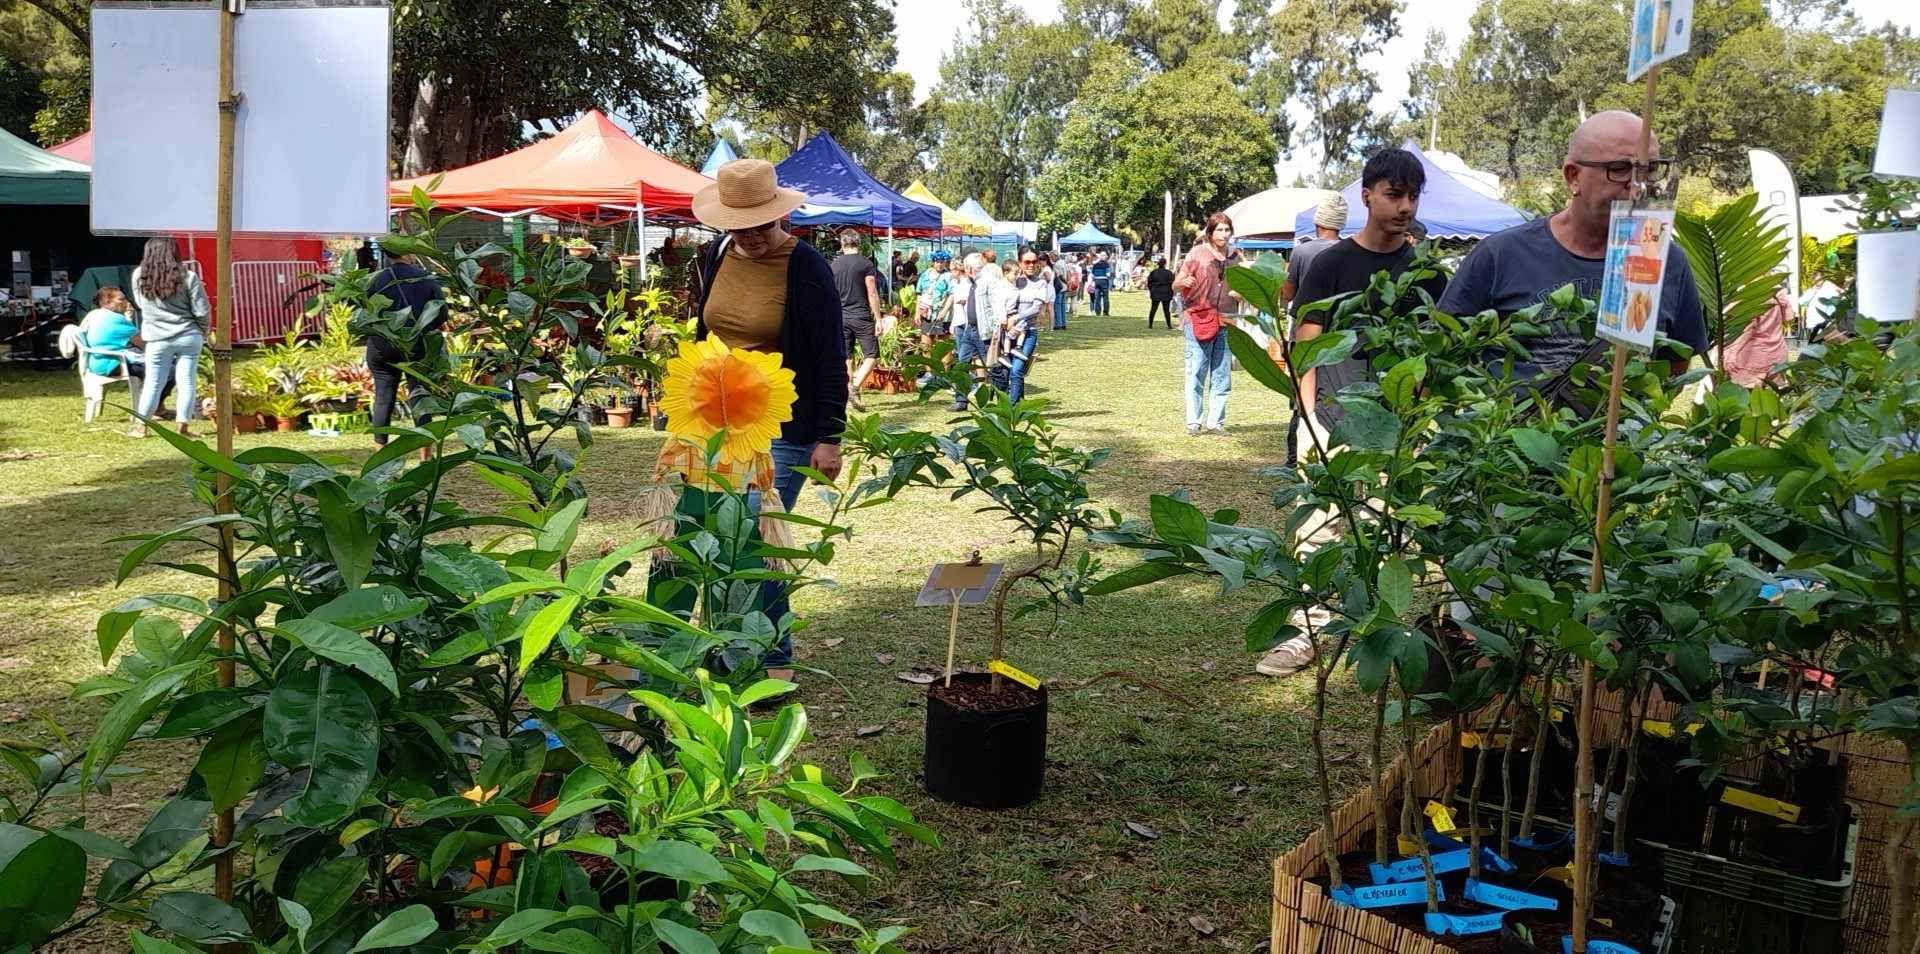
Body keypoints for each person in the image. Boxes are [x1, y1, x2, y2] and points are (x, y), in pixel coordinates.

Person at [1260, 147, 1449, 679]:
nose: (1405, 206)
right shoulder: (1329, 264)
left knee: (1387, 536)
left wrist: (1416, 421)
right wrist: (1309, 417)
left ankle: (1378, 636)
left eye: (1413, 196)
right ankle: (1307, 633)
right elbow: (1307, 343)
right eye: (1394, 194)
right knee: (1318, 534)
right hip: (1331, 422)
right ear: (1366, 195)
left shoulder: (1427, 275)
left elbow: (1437, 351)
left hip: (1395, 431)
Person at [690, 158, 850, 678]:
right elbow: (704, 334)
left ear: (779, 213)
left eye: (762, 222)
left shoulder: (805, 264)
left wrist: (830, 437)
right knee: (715, 537)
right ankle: (727, 654)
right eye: (741, 225)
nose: (753, 235)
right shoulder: (717, 254)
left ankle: (773, 665)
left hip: (783, 426)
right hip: (715, 421)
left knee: (758, 542)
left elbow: (829, 355)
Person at [1438, 110, 1708, 383]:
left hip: (1622, 426)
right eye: (1620, 169)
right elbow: (1440, 355)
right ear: (1572, 177)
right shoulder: (1500, 255)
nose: (1639, 187)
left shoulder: (1666, 260)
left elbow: (1676, 362)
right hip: (1516, 422)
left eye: (1649, 169)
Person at [129, 237, 211, 438]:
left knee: (153, 383)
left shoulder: (139, 275)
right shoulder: (189, 276)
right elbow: (201, 310)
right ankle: (182, 426)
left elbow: (140, 304)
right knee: (186, 381)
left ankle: (141, 427)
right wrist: (203, 330)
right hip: (188, 335)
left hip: (156, 337)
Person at [1172, 213, 1244, 436]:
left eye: (1227, 229)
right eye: (1219, 230)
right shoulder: (1197, 254)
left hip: (1227, 319)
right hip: (1198, 318)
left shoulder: (1236, 258)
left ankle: (1216, 421)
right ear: (1210, 232)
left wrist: (1241, 292)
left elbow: (1246, 285)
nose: (1224, 234)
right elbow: (1175, 285)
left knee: (1222, 373)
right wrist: (1183, 282)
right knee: (1196, 371)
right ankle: (1194, 421)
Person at [364, 257, 445, 451]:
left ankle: (380, 456)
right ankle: (425, 457)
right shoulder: (426, 278)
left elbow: (365, 314)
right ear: (408, 252)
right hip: (418, 342)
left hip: (381, 344)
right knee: (419, 395)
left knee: (383, 397)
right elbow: (441, 314)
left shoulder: (374, 280)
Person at [830, 229, 885, 410]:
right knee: (872, 355)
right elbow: (871, 291)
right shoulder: (865, 264)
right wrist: (878, 318)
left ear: (842, 243)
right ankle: (853, 387)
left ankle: (849, 394)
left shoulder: (834, 265)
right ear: (858, 243)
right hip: (861, 315)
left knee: (847, 356)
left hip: (840, 316)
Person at [991, 249, 1051, 403]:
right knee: (1006, 369)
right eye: (1027, 262)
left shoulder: (1041, 283)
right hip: (1008, 332)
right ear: (1019, 263)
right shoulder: (1014, 279)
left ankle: (1012, 407)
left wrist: (1015, 318)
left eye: (1034, 261)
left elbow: (1036, 308)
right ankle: (1015, 402)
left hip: (1028, 332)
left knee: (1017, 370)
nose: (1031, 265)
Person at [1723, 285, 1792, 387]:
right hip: (1777, 354)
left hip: (1752, 359)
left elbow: (1748, 328)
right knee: (1771, 398)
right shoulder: (1778, 291)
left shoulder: (1750, 292)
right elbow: (1789, 317)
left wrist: (1732, 354)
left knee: (1748, 398)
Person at [949, 252, 990, 411]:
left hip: (982, 330)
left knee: (991, 365)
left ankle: (997, 399)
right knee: (962, 364)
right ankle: (961, 401)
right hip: (969, 328)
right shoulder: (971, 283)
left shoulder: (986, 283)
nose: (965, 271)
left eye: (967, 268)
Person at [915, 250, 955, 386]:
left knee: (944, 344)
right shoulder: (925, 275)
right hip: (926, 314)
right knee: (926, 343)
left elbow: (951, 295)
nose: (940, 264)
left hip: (942, 315)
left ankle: (944, 374)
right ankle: (929, 372)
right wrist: (916, 313)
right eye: (937, 261)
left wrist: (944, 311)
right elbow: (919, 294)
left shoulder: (949, 276)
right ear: (933, 261)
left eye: (942, 262)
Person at [1145, 255, 1177, 329]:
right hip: (1166, 293)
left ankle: (1150, 324)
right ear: (1165, 264)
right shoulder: (1169, 273)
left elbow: (1149, 282)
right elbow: (1172, 283)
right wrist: (1171, 291)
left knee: (1153, 309)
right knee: (1166, 310)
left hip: (1156, 292)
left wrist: (1152, 290)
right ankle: (1169, 325)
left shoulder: (1154, 272)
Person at [1088, 251, 1113, 316]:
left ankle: (1097, 312)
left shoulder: (1095, 264)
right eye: (1104, 256)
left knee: (1097, 297)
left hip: (1096, 281)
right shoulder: (1106, 264)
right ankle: (1105, 312)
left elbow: (1092, 274)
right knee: (1105, 297)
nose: (1105, 257)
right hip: (1104, 281)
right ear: (1102, 256)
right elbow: (1108, 274)